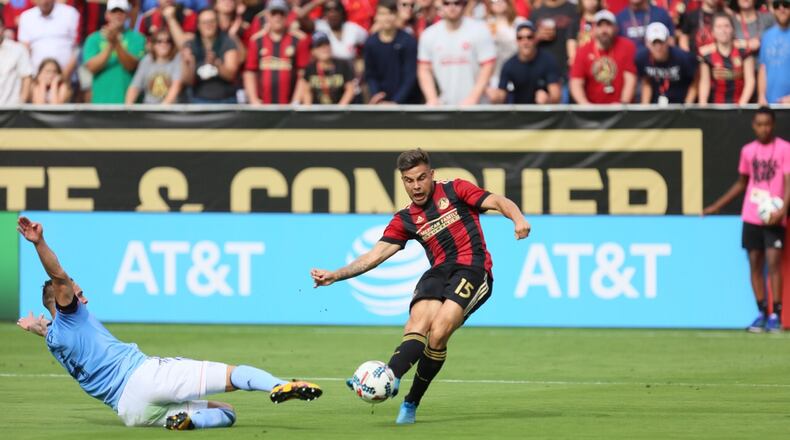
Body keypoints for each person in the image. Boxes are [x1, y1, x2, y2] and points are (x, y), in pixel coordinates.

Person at [15, 216, 322, 430]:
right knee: (237, 374)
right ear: (60, 298)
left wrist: (35, 327)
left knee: (226, 414)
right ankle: (279, 384)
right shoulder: (70, 313)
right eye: (76, 293)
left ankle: (189, 422)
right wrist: (39, 242)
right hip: (145, 376)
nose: (83, 299)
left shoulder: (56, 338)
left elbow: (51, 330)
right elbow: (58, 276)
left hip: (130, 411)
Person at [311, 148, 531, 424]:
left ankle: (411, 401)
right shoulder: (405, 218)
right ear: (402, 181)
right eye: (408, 180)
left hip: (474, 270)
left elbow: (498, 201)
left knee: (438, 333)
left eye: (421, 178)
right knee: (417, 324)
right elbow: (374, 255)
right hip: (438, 272)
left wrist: (518, 218)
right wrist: (335, 275)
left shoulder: (455, 190)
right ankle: (387, 377)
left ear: (431, 175)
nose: (415, 186)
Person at [703, 107, 790, 333]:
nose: (764, 128)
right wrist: (715, 206)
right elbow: (742, 183)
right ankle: (761, 312)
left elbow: (788, 182)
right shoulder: (748, 151)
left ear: (773, 125)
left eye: (767, 124)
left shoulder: (784, 149)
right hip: (752, 214)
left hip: (774, 215)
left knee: (773, 263)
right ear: (753, 125)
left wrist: (783, 212)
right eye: (759, 124)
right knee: (754, 263)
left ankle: (776, 315)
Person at [417, 0, 497, 105]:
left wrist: (473, 98)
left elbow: (488, 66)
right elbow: (424, 69)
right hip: (445, 106)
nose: (452, 7)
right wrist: (432, 98)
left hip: (477, 106)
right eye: (447, 3)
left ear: (464, 4)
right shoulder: (429, 34)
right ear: (440, 5)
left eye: (457, 3)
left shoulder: (479, 30)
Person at [243, 0, 310, 104]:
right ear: (267, 16)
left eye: (281, 13)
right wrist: (254, 100)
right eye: (274, 13)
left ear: (287, 16)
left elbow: (303, 74)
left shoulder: (298, 40)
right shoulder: (257, 41)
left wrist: (296, 101)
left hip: (289, 105)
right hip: (263, 106)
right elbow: (250, 72)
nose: (277, 17)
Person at [82, 0, 146, 104]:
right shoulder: (93, 39)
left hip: (129, 103)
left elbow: (131, 65)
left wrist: (115, 43)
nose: (118, 15)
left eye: (122, 12)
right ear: (107, 15)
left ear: (128, 15)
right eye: (114, 12)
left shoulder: (137, 38)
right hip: (101, 101)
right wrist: (111, 44)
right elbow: (92, 67)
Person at [569, 9, 637, 104]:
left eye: (608, 25)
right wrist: (586, 106)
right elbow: (576, 82)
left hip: (621, 108)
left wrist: (623, 104)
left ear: (615, 28)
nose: (604, 30)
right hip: (593, 108)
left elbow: (630, 78)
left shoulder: (627, 46)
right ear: (593, 29)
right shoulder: (583, 51)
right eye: (600, 25)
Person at [363, 0, 419, 104]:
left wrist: (396, 102)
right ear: (376, 16)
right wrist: (378, 96)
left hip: (407, 105)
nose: (387, 18)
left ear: (397, 15)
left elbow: (410, 76)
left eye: (391, 13)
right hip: (380, 105)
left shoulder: (408, 41)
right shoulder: (370, 43)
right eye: (383, 14)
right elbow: (370, 75)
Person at [493, 20, 562, 103]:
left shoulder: (548, 61)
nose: (525, 42)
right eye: (520, 38)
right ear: (516, 41)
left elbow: (556, 95)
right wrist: (495, 97)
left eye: (529, 37)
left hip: (543, 113)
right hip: (518, 113)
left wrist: (547, 100)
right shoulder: (509, 65)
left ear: (535, 39)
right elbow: (501, 94)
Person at [182, 8, 240, 104]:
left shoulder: (228, 42)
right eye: (204, 22)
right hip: (198, 99)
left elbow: (231, 75)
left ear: (217, 23)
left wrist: (216, 63)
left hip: (226, 100)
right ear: (198, 25)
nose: (208, 25)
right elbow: (188, 81)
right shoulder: (190, 45)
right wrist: (188, 63)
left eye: (211, 21)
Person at [698, 12, 755, 104]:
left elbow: (750, 81)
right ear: (712, 32)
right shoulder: (706, 54)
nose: (723, 30)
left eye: (727, 26)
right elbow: (704, 83)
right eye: (719, 27)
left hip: (741, 105)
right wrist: (703, 105)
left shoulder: (744, 50)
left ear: (733, 29)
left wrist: (741, 106)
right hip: (716, 107)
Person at [635, 22, 698, 104]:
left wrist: (687, 105)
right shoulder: (642, 58)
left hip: (680, 103)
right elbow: (646, 81)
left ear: (668, 41)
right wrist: (645, 107)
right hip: (656, 103)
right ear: (647, 43)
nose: (658, 47)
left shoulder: (683, 58)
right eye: (654, 43)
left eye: (661, 42)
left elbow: (696, 80)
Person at [529, 0, 578, 101]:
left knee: (567, 112)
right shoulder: (536, 12)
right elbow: (526, 40)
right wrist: (537, 36)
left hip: (567, 70)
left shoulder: (574, 9)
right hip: (543, 73)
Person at [17, 0, 79, 79]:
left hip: (68, 77)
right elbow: (24, 50)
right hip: (37, 79)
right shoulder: (26, 17)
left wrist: (65, 74)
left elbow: (77, 47)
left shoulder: (70, 13)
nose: (44, 2)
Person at [294, 31, 356, 104]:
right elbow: (306, 91)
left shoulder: (343, 65)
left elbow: (350, 90)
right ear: (313, 51)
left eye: (327, 44)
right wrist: (308, 110)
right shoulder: (310, 68)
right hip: (316, 112)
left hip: (340, 111)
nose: (324, 48)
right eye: (319, 46)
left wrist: (339, 109)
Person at [125, 30, 183, 104]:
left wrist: (162, 109)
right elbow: (135, 87)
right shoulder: (147, 60)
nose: (164, 44)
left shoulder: (177, 59)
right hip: (149, 108)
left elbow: (176, 86)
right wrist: (127, 108)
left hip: (171, 111)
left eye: (168, 41)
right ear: (153, 44)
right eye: (159, 41)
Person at [758, 0, 790, 104]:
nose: (781, 9)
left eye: (786, 5)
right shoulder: (766, 36)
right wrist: (761, 96)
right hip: (769, 105)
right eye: (777, 5)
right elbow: (763, 68)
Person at [0, 14, 32, 105]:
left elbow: (27, 77)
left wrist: (21, 104)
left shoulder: (18, 49)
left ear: (3, 28)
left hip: (12, 110)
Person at [567, 0, 603, 67]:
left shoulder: (603, 21)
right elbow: (571, 42)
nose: (590, 1)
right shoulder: (575, 22)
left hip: (599, 61)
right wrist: (574, 59)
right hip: (581, 62)